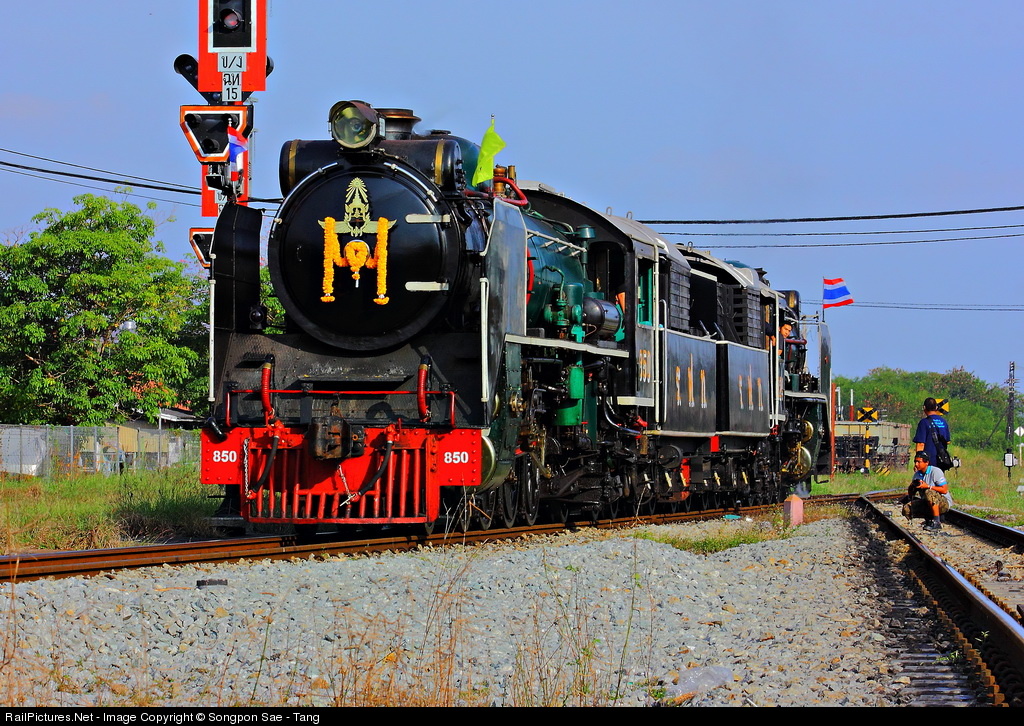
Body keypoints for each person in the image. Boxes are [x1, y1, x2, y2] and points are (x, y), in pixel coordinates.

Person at [909, 451, 951, 530]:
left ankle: (937, 522)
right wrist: (912, 487)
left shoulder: (936, 471)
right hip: (927, 503)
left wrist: (928, 486)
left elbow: (944, 490)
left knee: (929, 492)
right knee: (907, 508)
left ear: (926, 462)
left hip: (943, 503)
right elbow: (911, 494)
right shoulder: (917, 475)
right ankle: (928, 519)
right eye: (915, 462)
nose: (916, 464)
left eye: (919, 462)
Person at [913, 397, 951, 470]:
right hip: (941, 461)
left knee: (926, 478)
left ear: (924, 408)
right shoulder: (943, 422)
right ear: (936, 407)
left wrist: (917, 462)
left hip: (927, 463)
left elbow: (920, 444)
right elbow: (947, 441)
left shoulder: (924, 423)